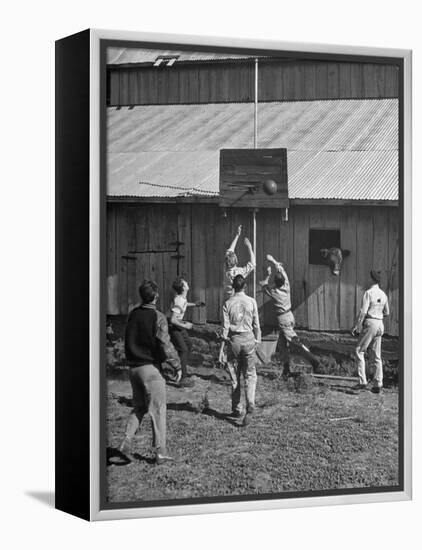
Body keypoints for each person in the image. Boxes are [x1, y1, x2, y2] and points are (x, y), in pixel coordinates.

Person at [119, 280, 182, 464]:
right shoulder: (158, 316)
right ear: (156, 296)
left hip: (134, 369)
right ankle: (161, 451)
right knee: (158, 409)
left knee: (139, 408)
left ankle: (126, 441)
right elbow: (165, 344)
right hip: (151, 370)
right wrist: (177, 365)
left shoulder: (132, 314)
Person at [260, 254, 320, 378]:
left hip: (283, 319)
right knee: (283, 345)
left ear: (275, 283)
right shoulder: (286, 285)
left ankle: (313, 359)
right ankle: (286, 369)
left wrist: (267, 274)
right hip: (289, 315)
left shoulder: (274, 292)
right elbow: (281, 270)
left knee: (294, 341)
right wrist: (273, 260)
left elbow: (264, 286)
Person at [220, 274, 261, 426]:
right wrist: (257, 339)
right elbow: (256, 324)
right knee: (250, 374)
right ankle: (250, 402)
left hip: (234, 341)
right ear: (245, 286)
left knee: (234, 375)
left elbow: (225, 329)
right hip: (249, 339)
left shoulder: (227, 303)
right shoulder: (251, 301)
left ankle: (237, 408)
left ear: (233, 287)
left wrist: (222, 349)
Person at [352, 270, 389, 394]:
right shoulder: (383, 294)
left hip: (370, 322)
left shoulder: (368, 293)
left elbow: (363, 312)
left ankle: (362, 381)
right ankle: (378, 383)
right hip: (380, 324)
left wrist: (358, 326)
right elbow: (387, 312)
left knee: (359, 351)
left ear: (371, 279)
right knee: (376, 355)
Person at [168, 277, 204, 388]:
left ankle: (179, 368)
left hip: (179, 326)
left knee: (189, 345)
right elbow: (172, 320)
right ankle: (183, 378)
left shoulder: (181, 299)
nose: (187, 283)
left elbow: (184, 304)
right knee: (183, 349)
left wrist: (195, 305)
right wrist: (185, 325)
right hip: (174, 327)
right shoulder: (179, 300)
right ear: (183, 288)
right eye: (185, 283)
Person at [224, 224, 256, 299]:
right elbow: (253, 264)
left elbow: (230, 250)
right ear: (236, 261)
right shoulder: (239, 272)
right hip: (236, 298)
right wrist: (249, 247)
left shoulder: (225, 268)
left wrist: (237, 235)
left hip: (227, 298)